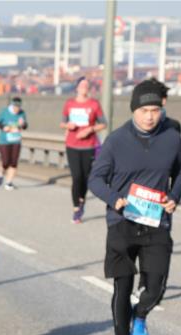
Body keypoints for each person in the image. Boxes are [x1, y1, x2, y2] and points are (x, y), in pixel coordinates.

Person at [88, 79, 181, 335]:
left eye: (155, 110)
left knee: (156, 287)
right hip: (122, 221)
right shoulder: (116, 140)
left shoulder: (172, 138)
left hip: (157, 221)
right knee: (123, 285)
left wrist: (175, 197)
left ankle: (141, 313)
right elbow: (95, 178)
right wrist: (114, 198)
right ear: (134, 110)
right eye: (144, 110)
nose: (149, 116)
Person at [61, 77, 106, 224]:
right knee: (77, 176)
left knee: (85, 177)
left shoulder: (94, 104)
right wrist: (69, 125)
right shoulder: (69, 103)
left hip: (89, 145)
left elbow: (103, 124)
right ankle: (76, 208)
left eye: (87, 85)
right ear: (77, 87)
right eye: (82, 85)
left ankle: (82, 201)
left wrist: (90, 130)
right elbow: (62, 123)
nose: (84, 88)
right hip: (72, 145)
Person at [0, 96, 28, 191]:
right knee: (5, 162)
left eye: (18, 107)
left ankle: (9, 183)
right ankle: (1, 174)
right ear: (12, 105)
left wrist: (23, 124)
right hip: (4, 140)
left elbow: (25, 126)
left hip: (16, 140)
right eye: (15, 107)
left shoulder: (22, 113)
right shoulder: (4, 111)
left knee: (13, 162)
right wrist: (3, 127)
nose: (17, 109)